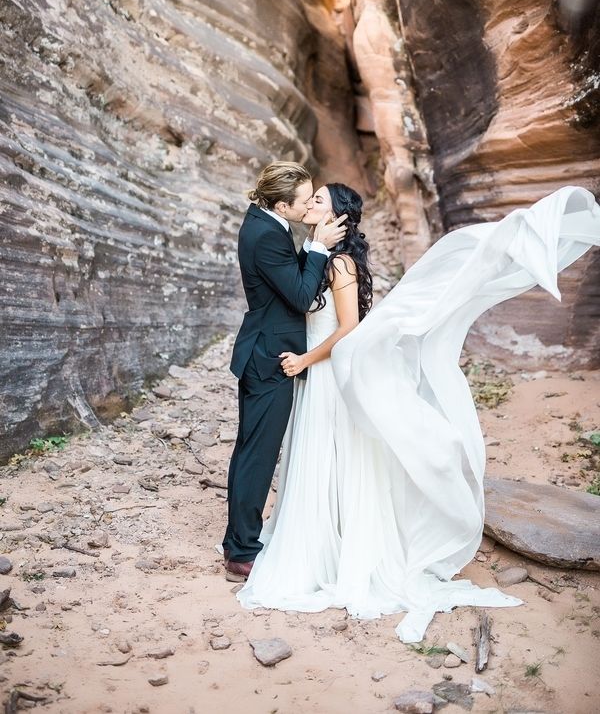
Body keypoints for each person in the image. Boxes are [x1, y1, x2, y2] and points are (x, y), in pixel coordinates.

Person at [237, 182, 600, 642]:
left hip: (327, 376)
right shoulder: (319, 256)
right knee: (320, 463)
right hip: (318, 378)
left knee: (334, 461)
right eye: (310, 199)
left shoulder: (342, 264)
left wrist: (305, 360)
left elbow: (349, 329)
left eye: (319, 200)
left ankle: (342, 553)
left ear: (339, 218)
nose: (310, 203)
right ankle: (321, 540)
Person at [223, 162, 347, 581]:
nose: (310, 204)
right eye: (304, 201)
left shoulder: (266, 223)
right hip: (271, 356)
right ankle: (241, 553)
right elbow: (297, 295)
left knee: (251, 450)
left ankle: (240, 543)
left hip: (266, 348)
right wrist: (318, 248)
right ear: (281, 203)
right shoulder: (266, 235)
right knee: (257, 455)